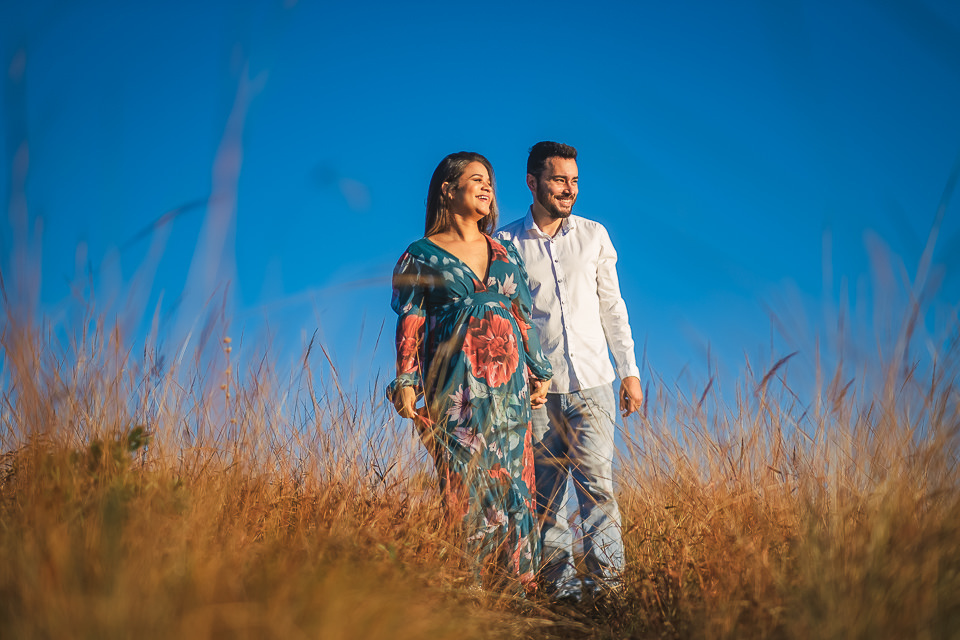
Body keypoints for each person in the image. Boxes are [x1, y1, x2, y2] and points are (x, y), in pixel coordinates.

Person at [387, 151, 553, 593]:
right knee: (465, 479)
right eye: (476, 179)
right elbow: (411, 319)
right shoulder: (420, 255)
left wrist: (540, 369)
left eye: (491, 183)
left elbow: (521, 314)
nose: (487, 189)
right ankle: (471, 591)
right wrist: (406, 379)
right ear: (448, 188)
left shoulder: (503, 251)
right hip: (457, 384)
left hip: (511, 386)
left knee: (516, 481)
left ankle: (519, 591)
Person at [495, 141, 643, 602]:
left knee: (598, 489)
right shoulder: (504, 243)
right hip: (537, 392)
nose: (568, 189)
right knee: (546, 501)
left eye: (574, 180)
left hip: (594, 384)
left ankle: (609, 596)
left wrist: (629, 371)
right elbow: (504, 321)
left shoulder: (594, 235)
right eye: (559, 179)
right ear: (532, 182)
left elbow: (612, 308)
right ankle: (560, 599)